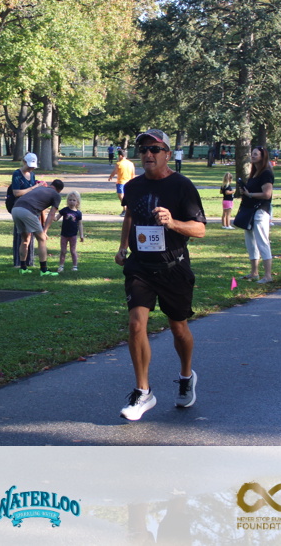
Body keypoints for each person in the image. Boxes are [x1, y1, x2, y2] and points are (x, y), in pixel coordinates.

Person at [115, 129, 206, 421]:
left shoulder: (182, 186)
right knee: (136, 325)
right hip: (140, 265)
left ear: (167, 154)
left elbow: (200, 229)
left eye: (155, 149)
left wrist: (173, 223)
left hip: (173, 266)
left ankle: (186, 376)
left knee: (178, 328)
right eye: (143, 149)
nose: (148, 154)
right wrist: (122, 247)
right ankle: (143, 392)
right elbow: (130, 216)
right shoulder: (133, 186)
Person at [11, 178, 64, 276]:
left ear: (51, 185)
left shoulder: (39, 189)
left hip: (15, 209)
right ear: (59, 190)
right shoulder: (56, 195)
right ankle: (44, 270)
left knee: (25, 239)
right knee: (42, 239)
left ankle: (23, 268)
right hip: (27, 211)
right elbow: (51, 214)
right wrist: (45, 231)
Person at [238, 146, 274, 284]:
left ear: (262, 156)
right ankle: (254, 273)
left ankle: (268, 275)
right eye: (252, 154)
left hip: (260, 211)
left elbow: (267, 194)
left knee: (262, 242)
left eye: (255, 154)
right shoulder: (254, 173)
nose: (252, 156)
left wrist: (250, 194)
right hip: (250, 211)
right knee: (251, 243)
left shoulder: (266, 173)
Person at [10, 153, 39, 267]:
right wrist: (33, 188)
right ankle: (18, 262)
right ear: (24, 162)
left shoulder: (32, 175)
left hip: (31, 208)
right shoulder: (17, 174)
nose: (31, 168)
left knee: (30, 234)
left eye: (33, 166)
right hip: (20, 207)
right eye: (29, 165)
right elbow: (16, 193)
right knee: (21, 234)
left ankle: (29, 261)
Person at [54, 190, 84, 273]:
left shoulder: (78, 213)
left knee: (73, 251)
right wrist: (52, 215)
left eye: (74, 200)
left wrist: (81, 235)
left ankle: (75, 266)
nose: (71, 202)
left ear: (77, 202)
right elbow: (56, 218)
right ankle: (61, 266)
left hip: (73, 235)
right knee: (63, 251)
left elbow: (80, 224)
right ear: (67, 201)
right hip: (64, 234)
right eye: (70, 200)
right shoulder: (65, 210)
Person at [107, 149, 136, 216]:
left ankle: (125, 209)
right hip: (129, 181)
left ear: (120, 156)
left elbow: (115, 171)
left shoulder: (119, 163)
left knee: (120, 195)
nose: (117, 157)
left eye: (118, 156)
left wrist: (111, 176)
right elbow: (133, 173)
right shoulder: (131, 163)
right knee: (127, 195)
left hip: (121, 181)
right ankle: (127, 209)